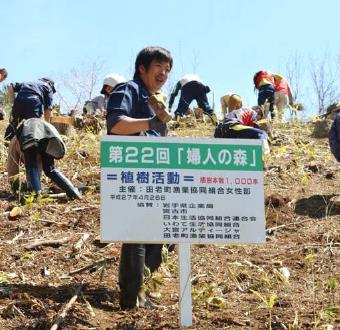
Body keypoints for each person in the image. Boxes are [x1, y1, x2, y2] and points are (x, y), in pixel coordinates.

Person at [106, 46, 172, 309]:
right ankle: (131, 298)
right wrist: (151, 123)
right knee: (138, 231)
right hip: (133, 173)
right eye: (159, 67)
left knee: (167, 230)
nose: (164, 73)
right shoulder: (129, 90)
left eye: (168, 69)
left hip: (156, 174)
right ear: (142, 68)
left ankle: (139, 289)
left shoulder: (153, 99)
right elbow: (116, 124)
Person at [6, 77, 80, 199]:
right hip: (47, 135)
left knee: (31, 165)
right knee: (50, 170)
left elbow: (12, 166)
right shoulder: (47, 88)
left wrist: (14, 187)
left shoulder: (26, 83)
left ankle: (36, 194)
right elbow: (48, 110)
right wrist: (46, 125)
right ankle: (73, 191)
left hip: (29, 135)